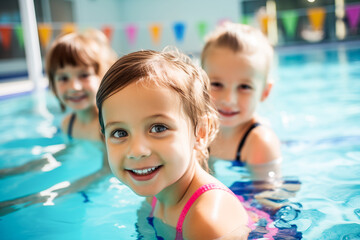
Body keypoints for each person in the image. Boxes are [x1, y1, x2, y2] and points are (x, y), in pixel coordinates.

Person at [96, 48, 250, 239]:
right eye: (120, 132)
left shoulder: (205, 221)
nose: (137, 151)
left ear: (200, 132)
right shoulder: (154, 191)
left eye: (158, 128)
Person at [0, 30, 117, 211]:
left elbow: (107, 172)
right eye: (63, 78)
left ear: (104, 77)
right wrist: (16, 171)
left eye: (84, 75)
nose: (74, 87)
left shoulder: (106, 126)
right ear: (53, 85)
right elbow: (65, 153)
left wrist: (44, 196)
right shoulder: (68, 123)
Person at [201, 22, 282, 182]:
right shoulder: (198, 130)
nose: (229, 99)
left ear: (265, 92)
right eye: (216, 84)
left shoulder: (260, 143)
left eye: (244, 87)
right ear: (200, 83)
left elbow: (267, 200)